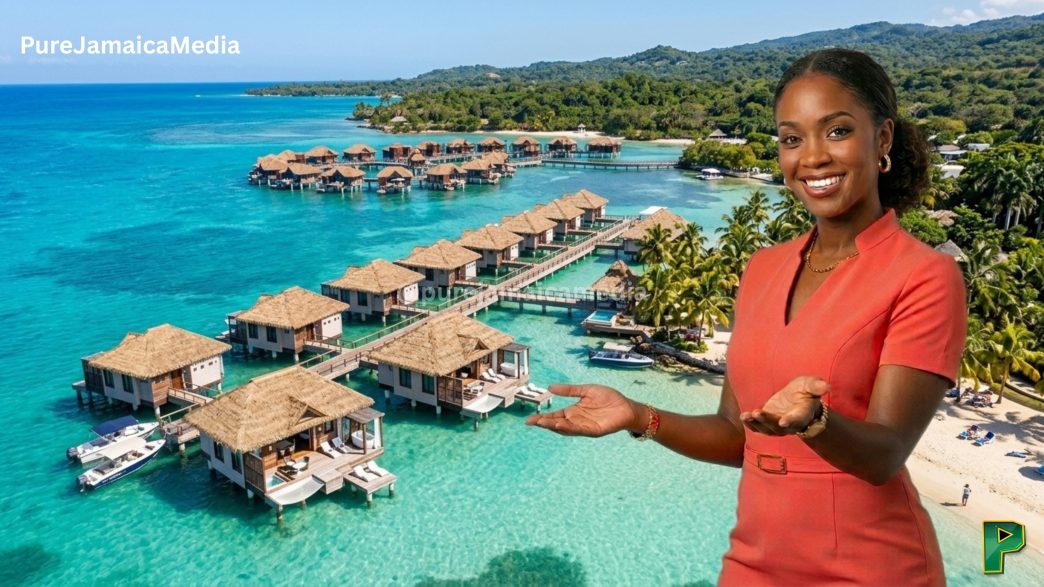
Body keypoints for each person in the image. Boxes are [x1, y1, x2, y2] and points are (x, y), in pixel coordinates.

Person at [527, 48, 967, 586]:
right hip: (754, 561)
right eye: (791, 138)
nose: (812, 157)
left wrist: (814, 422)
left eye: (837, 131)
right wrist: (638, 415)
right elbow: (737, 437)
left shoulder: (924, 276)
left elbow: (885, 455)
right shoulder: (763, 267)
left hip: (872, 566)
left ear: (883, 140)